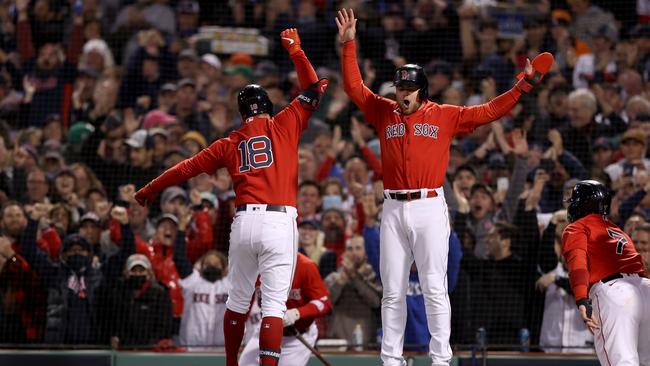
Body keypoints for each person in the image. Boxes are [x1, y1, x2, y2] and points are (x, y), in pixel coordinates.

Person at [335, 8, 553, 366]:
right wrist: (349, 45)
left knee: (435, 287)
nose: (402, 94)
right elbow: (354, 87)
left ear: (421, 90)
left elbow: (489, 111)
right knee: (393, 291)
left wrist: (523, 85)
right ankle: (391, 359)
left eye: (408, 88)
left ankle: (440, 359)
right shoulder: (383, 111)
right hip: (391, 207)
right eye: (399, 87)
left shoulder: (445, 114)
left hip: (429, 206)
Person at [134, 28, 327, 366]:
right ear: (268, 106)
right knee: (273, 308)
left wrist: (150, 189)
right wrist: (295, 48)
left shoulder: (229, 142)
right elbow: (313, 87)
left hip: (244, 222)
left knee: (237, 303)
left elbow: (185, 168)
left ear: (241, 114)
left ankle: (230, 364)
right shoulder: (284, 123)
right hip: (278, 220)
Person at [562, 180, 650, 365]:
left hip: (616, 293)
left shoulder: (577, 227)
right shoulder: (618, 230)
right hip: (645, 289)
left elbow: (578, 263)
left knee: (622, 362)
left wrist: (581, 299)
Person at [239, 252, 331, 366]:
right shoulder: (254, 264)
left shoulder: (305, 265)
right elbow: (244, 299)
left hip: (297, 336)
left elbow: (324, 303)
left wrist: (296, 314)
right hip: (267, 330)